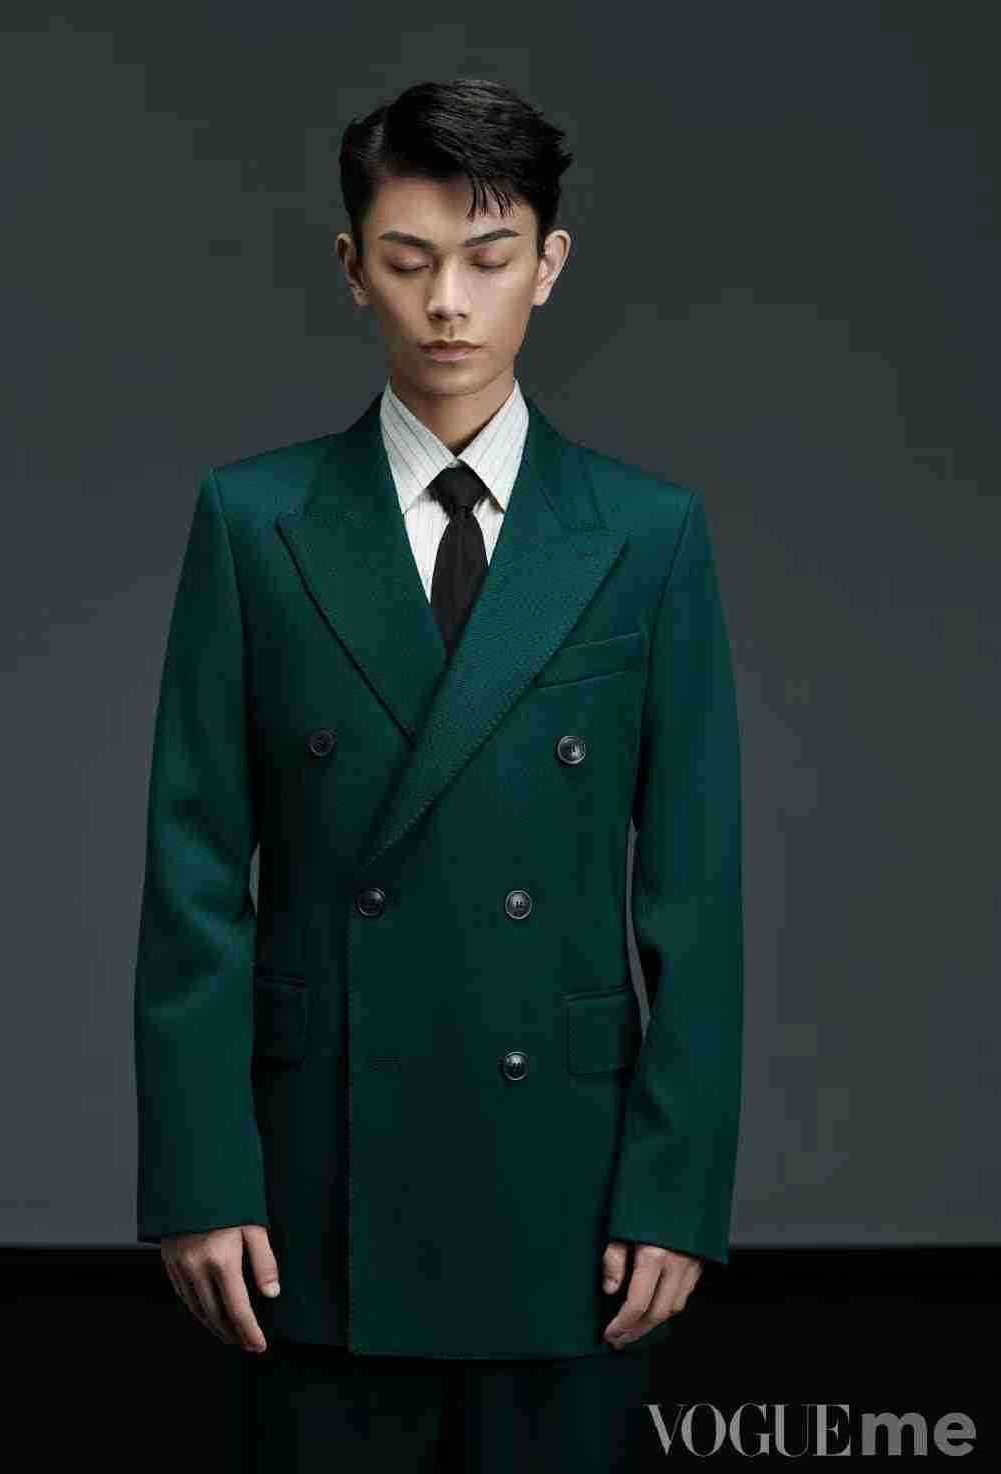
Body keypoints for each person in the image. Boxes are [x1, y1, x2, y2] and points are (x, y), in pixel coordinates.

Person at [133, 75, 744, 1472]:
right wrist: (199, 1174)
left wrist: (678, 1188)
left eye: (488, 258)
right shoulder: (256, 522)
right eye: (408, 262)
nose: (449, 306)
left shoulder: (647, 536)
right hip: (316, 1187)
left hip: (569, 1190)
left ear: (551, 265)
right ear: (354, 269)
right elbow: (193, 874)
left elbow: (697, 895)